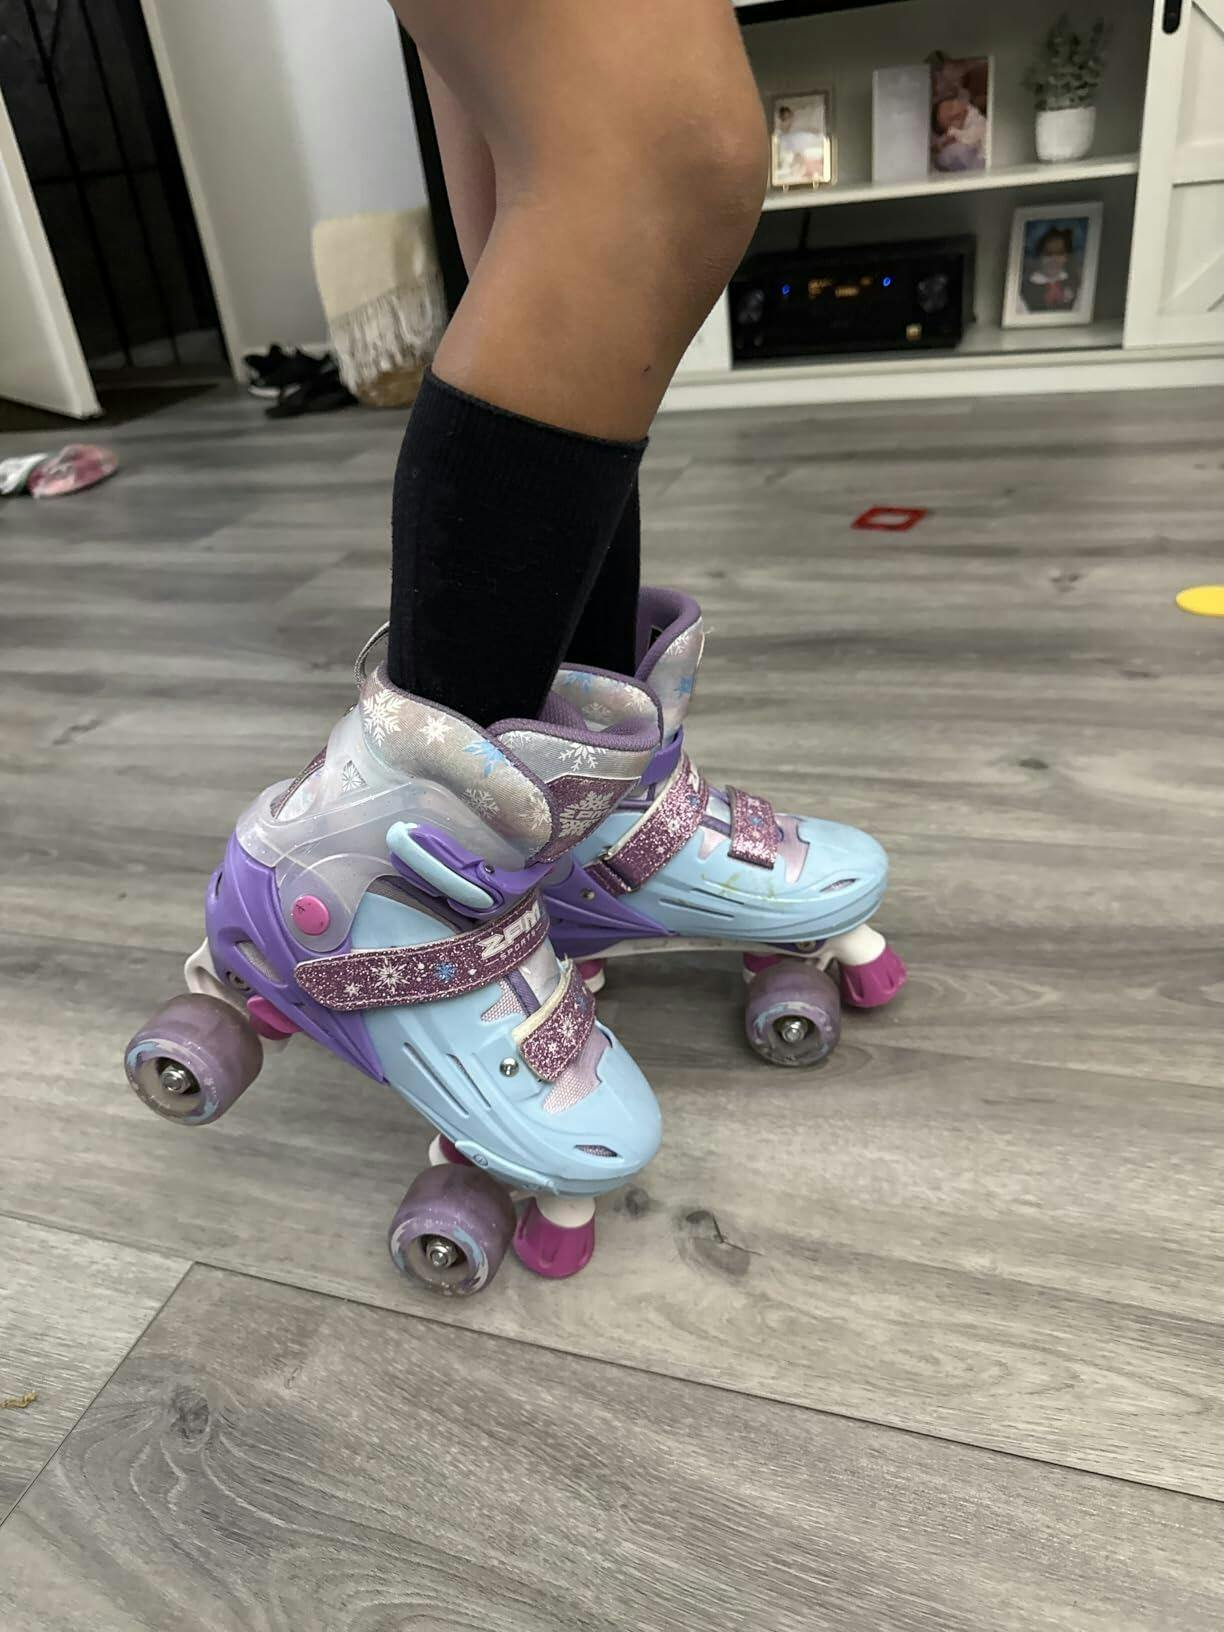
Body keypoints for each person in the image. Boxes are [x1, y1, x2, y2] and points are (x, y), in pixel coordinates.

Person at [1022, 226, 1079, 313]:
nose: (1054, 260)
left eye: (1059, 253)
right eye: (1048, 254)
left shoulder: (1074, 282)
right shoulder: (1026, 287)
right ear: (1039, 256)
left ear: (1066, 257)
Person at [931, 93, 988, 173]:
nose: (955, 114)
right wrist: (942, 144)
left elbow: (973, 136)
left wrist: (956, 134)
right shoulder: (960, 130)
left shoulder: (971, 113)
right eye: (950, 120)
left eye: (950, 107)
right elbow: (940, 142)